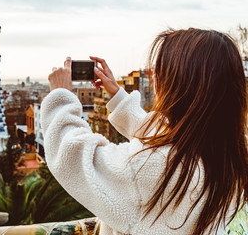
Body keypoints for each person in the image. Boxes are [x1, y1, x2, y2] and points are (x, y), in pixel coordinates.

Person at [40, 28, 248, 235]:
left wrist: (60, 97)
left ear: (179, 84)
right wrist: (118, 97)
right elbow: (166, 139)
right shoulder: (230, 158)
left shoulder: (156, 167)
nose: (156, 77)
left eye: (162, 71)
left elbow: (74, 157)